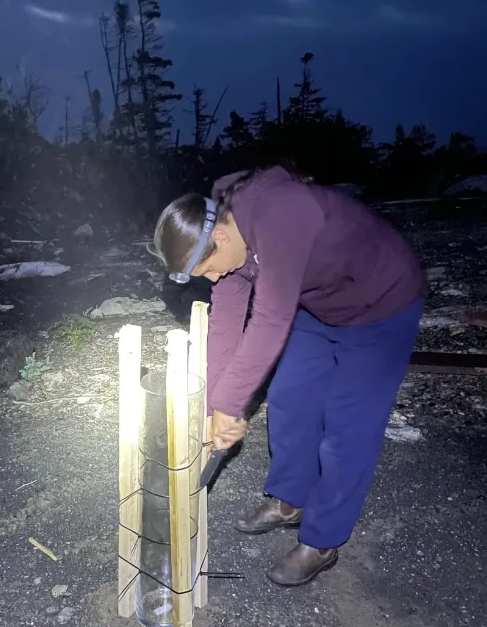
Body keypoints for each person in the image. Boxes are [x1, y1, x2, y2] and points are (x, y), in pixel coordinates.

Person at [152, 164, 425, 587]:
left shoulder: (280, 212)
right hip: (320, 306)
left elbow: (270, 317)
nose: (210, 278)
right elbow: (225, 324)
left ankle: (321, 541)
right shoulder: (227, 244)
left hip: (381, 303)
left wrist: (231, 404)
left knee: (347, 426)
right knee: (289, 397)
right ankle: (290, 501)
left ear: (219, 237)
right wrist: (215, 409)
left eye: (206, 269)